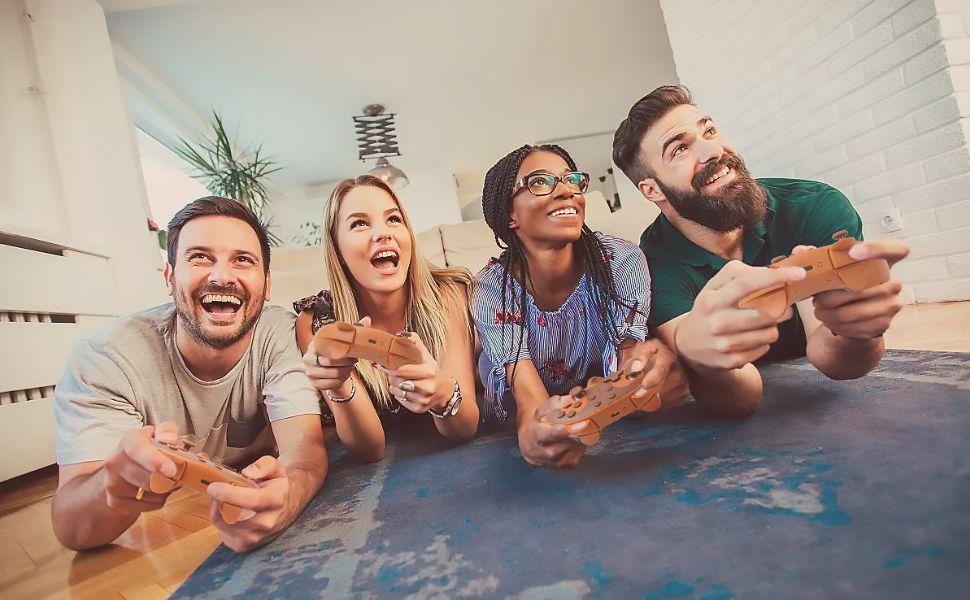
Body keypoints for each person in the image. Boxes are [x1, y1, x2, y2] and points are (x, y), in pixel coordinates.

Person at [611, 85, 910, 416]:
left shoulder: (814, 206)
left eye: (708, 130)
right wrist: (700, 355)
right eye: (680, 149)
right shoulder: (651, 264)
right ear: (652, 190)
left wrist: (855, 332)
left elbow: (834, 359)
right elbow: (740, 396)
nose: (713, 150)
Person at [52, 197, 327, 553]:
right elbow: (72, 528)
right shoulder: (106, 357)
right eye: (200, 257)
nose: (222, 276)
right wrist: (111, 482)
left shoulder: (279, 334)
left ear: (267, 284)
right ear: (170, 277)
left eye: (242, 260)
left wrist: (287, 497)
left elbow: (305, 453)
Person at [475, 144, 688, 469]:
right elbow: (527, 392)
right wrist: (538, 433)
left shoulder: (622, 262)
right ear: (509, 215)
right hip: (508, 404)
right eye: (540, 182)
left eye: (571, 180)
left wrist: (648, 378)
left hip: (589, 398)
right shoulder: (493, 288)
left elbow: (627, 359)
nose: (566, 191)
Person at [296, 175, 479, 463]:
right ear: (338, 250)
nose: (383, 233)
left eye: (393, 219)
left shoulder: (447, 294)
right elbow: (370, 449)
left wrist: (442, 392)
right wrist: (337, 383)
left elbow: (464, 428)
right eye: (359, 223)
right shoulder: (317, 323)